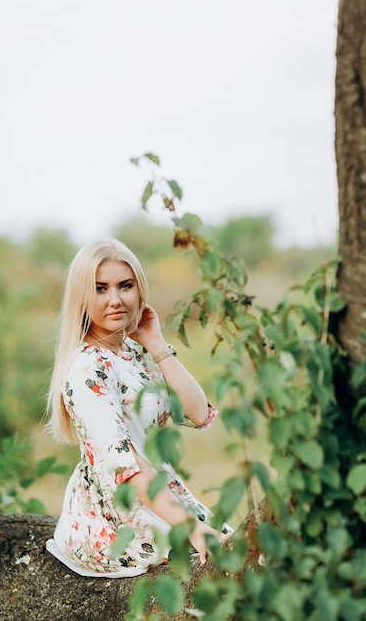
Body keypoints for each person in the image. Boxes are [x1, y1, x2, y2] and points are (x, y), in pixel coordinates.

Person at [45, 237, 232, 577]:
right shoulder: (88, 367)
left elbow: (198, 413)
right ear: (81, 298)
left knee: (232, 549)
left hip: (159, 488)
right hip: (116, 507)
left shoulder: (133, 352)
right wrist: (190, 527)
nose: (115, 300)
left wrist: (156, 343)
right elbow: (126, 469)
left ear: (139, 289)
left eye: (125, 286)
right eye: (100, 289)